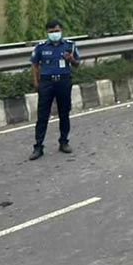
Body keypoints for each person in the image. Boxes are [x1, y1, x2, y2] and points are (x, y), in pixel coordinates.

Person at [29, 20, 80, 160]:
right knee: (42, 115)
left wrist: (71, 59)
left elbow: (77, 64)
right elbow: (34, 65)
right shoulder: (41, 47)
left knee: (64, 113)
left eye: (56, 31)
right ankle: (38, 146)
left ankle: (64, 142)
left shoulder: (70, 45)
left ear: (61, 30)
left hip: (63, 81)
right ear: (47, 33)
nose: (54, 34)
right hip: (46, 83)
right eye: (51, 32)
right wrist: (36, 83)